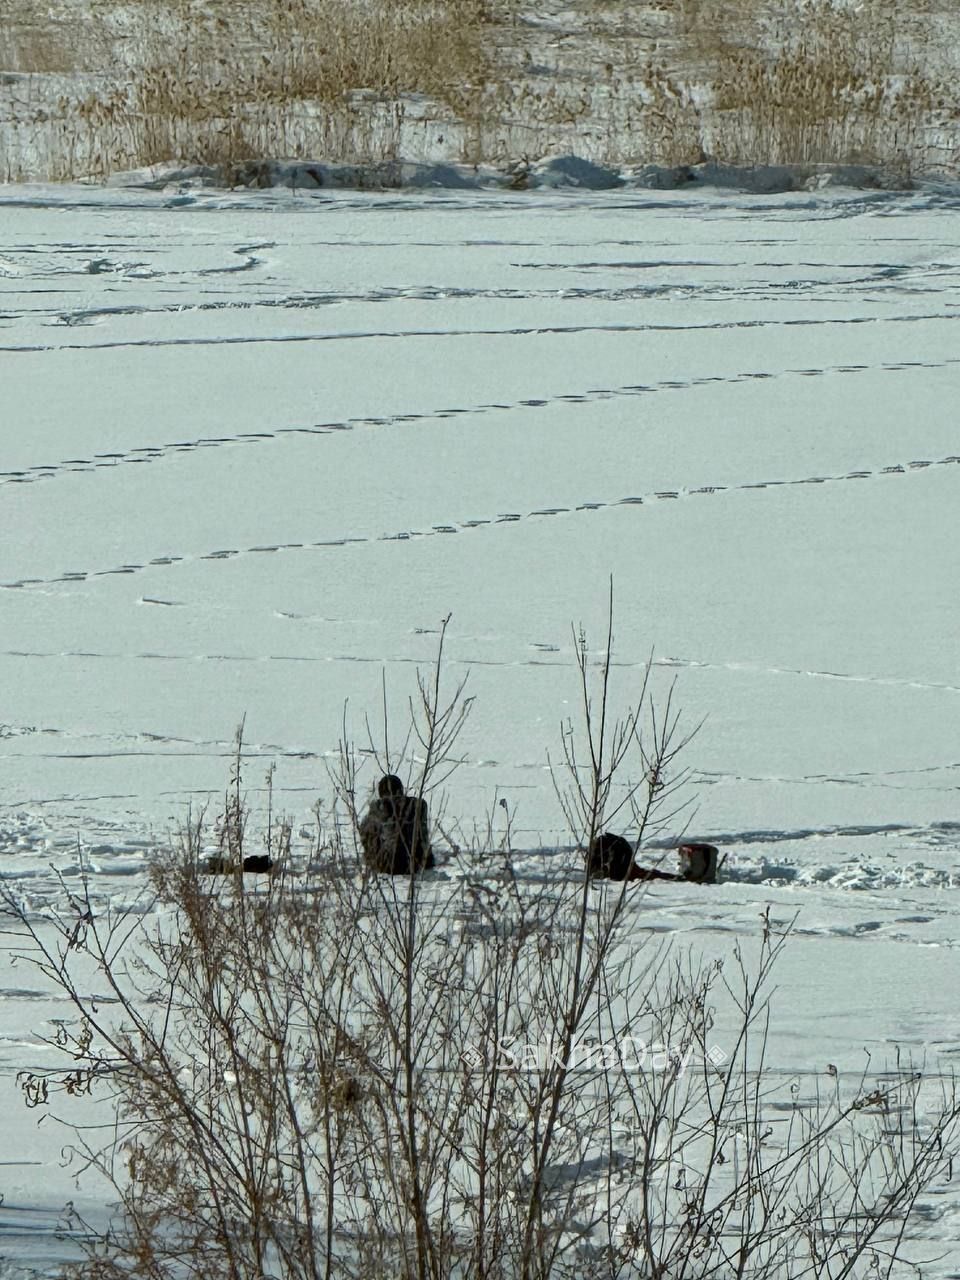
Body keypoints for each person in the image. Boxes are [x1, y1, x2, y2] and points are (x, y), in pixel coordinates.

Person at [359, 774, 435, 875]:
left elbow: (364, 831)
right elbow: (423, 835)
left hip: (389, 865)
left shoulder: (379, 806)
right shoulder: (419, 805)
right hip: (419, 862)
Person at [585, 832, 719, 884]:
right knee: (646, 874)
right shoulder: (617, 852)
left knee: (646, 874)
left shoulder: (618, 854)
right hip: (619, 859)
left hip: (620, 860)